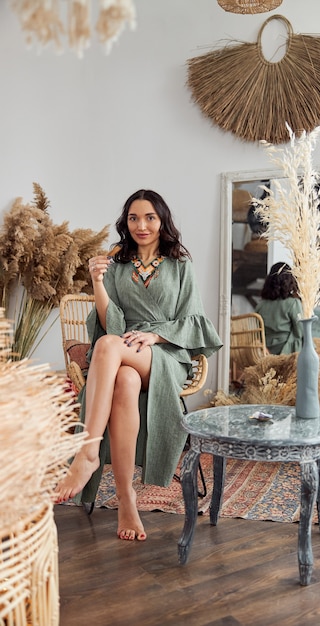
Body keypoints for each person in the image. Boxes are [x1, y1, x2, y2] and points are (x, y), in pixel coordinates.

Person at [54, 189, 222, 541]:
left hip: (167, 355)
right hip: (125, 351)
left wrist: (156, 337)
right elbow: (110, 322)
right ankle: (127, 502)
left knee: (107, 346)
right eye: (133, 218)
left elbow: (193, 319)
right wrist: (98, 282)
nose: (141, 225)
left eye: (149, 217)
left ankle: (87, 453)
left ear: (162, 221)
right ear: (125, 222)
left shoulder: (180, 265)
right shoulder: (117, 267)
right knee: (125, 379)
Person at [255, 262, 303, 355]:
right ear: (290, 280)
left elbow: (256, 332)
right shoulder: (293, 303)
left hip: (265, 352)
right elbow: (300, 331)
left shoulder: (261, 305)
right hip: (285, 351)